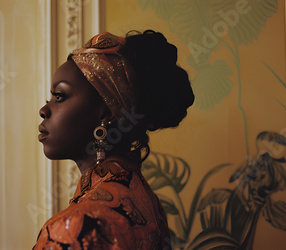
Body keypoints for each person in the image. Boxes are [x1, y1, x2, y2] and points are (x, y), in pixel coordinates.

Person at [34, 30, 194, 249]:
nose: (44, 110)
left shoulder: (75, 228)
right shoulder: (146, 200)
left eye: (60, 96)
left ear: (107, 112)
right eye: (49, 98)